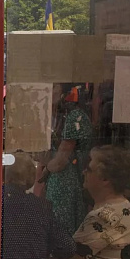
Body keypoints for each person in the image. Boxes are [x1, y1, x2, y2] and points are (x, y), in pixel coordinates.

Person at [38, 83, 93, 236]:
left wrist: (46, 170)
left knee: (61, 224)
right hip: (58, 173)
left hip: (70, 175)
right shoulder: (55, 114)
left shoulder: (73, 116)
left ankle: (62, 251)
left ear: (63, 90)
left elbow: (61, 160)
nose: (47, 91)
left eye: (53, 86)